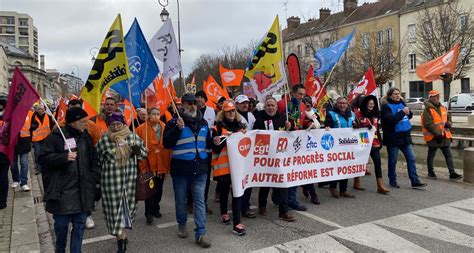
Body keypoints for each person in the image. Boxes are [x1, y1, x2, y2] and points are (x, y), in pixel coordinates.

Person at [39, 107, 100, 253]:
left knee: (79, 226)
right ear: (73, 122)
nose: (87, 124)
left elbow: (94, 160)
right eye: (83, 121)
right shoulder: (56, 137)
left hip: (82, 191)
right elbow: (42, 158)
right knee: (61, 226)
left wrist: (94, 177)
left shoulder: (85, 137)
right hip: (62, 192)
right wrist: (63, 158)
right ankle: (60, 250)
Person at [163, 93, 212, 248]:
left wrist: (216, 141)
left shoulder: (203, 122)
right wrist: (177, 129)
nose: (192, 106)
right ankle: (182, 224)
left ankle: (201, 233)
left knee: (199, 200)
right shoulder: (173, 122)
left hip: (201, 169)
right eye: (189, 103)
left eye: (194, 103)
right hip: (181, 170)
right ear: (182, 105)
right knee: (180, 200)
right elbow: (167, 144)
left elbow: (209, 143)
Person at [96, 112, 147, 253]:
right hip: (111, 183)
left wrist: (137, 152)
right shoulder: (104, 140)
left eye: (118, 124)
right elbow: (98, 160)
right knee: (114, 212)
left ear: (124, 124)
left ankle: (122, 236)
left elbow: (144, 154)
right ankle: (121, 241)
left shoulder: (133, 137)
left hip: (129, 182)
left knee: (127, 210)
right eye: (112, 125)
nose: (116, 127)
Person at [254, 96, 296, 222]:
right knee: (266, 183)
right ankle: (262, 205)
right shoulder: (259, 119)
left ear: (276, 107)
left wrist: (290, 128)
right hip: (266, 157)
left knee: (283, 183)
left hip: (280, 157)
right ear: (265, 107)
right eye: (268, 105)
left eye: (273, 105)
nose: (271, 107)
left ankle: (283, 211)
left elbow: (292, 135)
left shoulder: (283, 118)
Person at [211, 100, 246, 236]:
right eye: (228, 111)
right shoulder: (217, 128)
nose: (231, 113)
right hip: (224, 167)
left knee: (237, 193)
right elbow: (215, 148)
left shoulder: (241, 126)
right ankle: (224, 213)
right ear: (223, 113)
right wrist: (220, 140)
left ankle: (237, 222)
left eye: (233, 111)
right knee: (224, 191)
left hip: (238, 167)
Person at [381, 88, 427, 188]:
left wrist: (406, 110)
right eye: (395, 94)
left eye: (399, 94)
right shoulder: (385, 107)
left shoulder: (402, 102)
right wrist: (402, 112)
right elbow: (391, 121)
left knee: (412, 158)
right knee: (393, 161)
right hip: (393, 138)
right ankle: (392, 180)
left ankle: (415, 181)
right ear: (389, 96)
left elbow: (409, 116)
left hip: (405, 137)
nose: (398, 96)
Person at [136, 108, 171, 225]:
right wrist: (141, 150)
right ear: (148, 115)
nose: (155, 116)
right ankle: (148, 213)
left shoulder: (165, 127)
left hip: (161, 162)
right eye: (153, 114)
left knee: (159, 189)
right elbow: (135, 145)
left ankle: (156, 207)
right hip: (148, 163)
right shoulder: (141, 129)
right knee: (149, 189)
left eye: (157, 114)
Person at [277, 84, 307, 211]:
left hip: (297, 142)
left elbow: (303, 120)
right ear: (293, 93)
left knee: (295, 172)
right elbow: (277, 121)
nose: (301, 97)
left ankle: (292, 199)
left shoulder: (302, 105)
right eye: (299, 94)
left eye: (303, 94)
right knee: (284, 172)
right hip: (284, 142)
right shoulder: (282, 104)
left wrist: (310, 123)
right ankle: (278, 196)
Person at [421, 90, 462, 180]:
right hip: (434, 137)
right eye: (436, 96)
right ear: (431, 98)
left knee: (448, 155)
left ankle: (452, 172)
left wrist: (449, 123)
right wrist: (438, 134)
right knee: (431, 155)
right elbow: (428, 124)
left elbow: (448, 117)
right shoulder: (427, 109)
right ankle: (430, 172)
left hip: (444, 136)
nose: (438, 97)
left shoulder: (443, 107)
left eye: (438, 96)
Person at [355, 95, 390, 194]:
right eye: (369, 103)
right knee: (360, 163)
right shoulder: (358, 114)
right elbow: (354, 128)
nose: (371, 105)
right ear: (365, 104)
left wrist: (380, 141)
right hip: (362, 143)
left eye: (373, 104)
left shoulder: (376, 115)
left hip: (374, 143)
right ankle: (356, 182)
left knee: (378, 164)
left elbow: (377, 129)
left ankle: (380, 186)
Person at [325, 96, 358, 198]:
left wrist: (357, 125)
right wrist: (326, 128)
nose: (342, 105)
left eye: (344, 103)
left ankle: (343, 190)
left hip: (349, 145)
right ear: (336, 104)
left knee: (346, 168)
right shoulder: (331, 114)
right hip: (336, 146)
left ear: (347, 104)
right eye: (340, 103)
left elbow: (357, 125)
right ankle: (333, 186)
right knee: (336, 167)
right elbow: (327, 127)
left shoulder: (352, 114)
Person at [194, 90, 215, 215]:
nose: (199, 99)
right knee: (193, 176)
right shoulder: (191, 112)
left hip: (207, 149)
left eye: (201, 97)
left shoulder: (211, 111)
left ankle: (204, 202)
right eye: (197, 97)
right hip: (194, 150)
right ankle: (191, 202)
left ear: (205, 99)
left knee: (205, 177)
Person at [300, 95, 321, 205]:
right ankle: (313, 194)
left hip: (313, 144)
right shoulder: (301, 114)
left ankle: (306, 186)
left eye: (309, 105)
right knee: (305, 169)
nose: (307, 107)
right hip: (302, 144)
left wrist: (313, 118)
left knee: (310, 169)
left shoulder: (314, 113)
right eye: (305, 105)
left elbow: (318, 125)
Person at [11, 109, 33, 191]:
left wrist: (33, 127)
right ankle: (16, 179)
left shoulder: (30, 113)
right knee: (13, 164)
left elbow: (34, 123)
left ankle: (24, 183)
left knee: (24, 163)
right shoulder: (11, 113)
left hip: (25, 143)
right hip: (13, 143)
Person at [31, 103, 54, 175]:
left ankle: (45, 166)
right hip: (36, 138)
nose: (42, 110)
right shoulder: (33, 116)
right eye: (40, 109)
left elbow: (52, 126)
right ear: (37, 110)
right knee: (37, 153)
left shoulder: (49, 117)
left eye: (43, 109)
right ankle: (38, 168)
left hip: (46, 137)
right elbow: (29, 126)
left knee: (45, 152)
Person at [0, 98, 9, 209]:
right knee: (3, 177)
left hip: (3, 153)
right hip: (4, 152)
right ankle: (2, 201)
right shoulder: (8, 120)